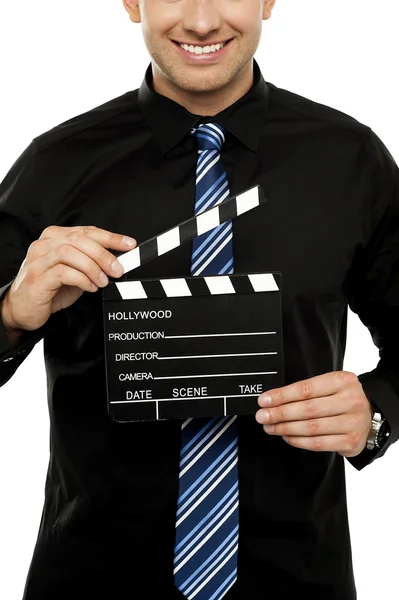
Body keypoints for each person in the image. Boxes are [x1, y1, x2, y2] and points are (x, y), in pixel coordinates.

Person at [0, 0, 398, 598]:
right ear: (132, 3)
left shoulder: (349, 159)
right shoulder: (57, 164)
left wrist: (378, 409)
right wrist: (11, 311)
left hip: (297, 575)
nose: (203, 21)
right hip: (92, 575)